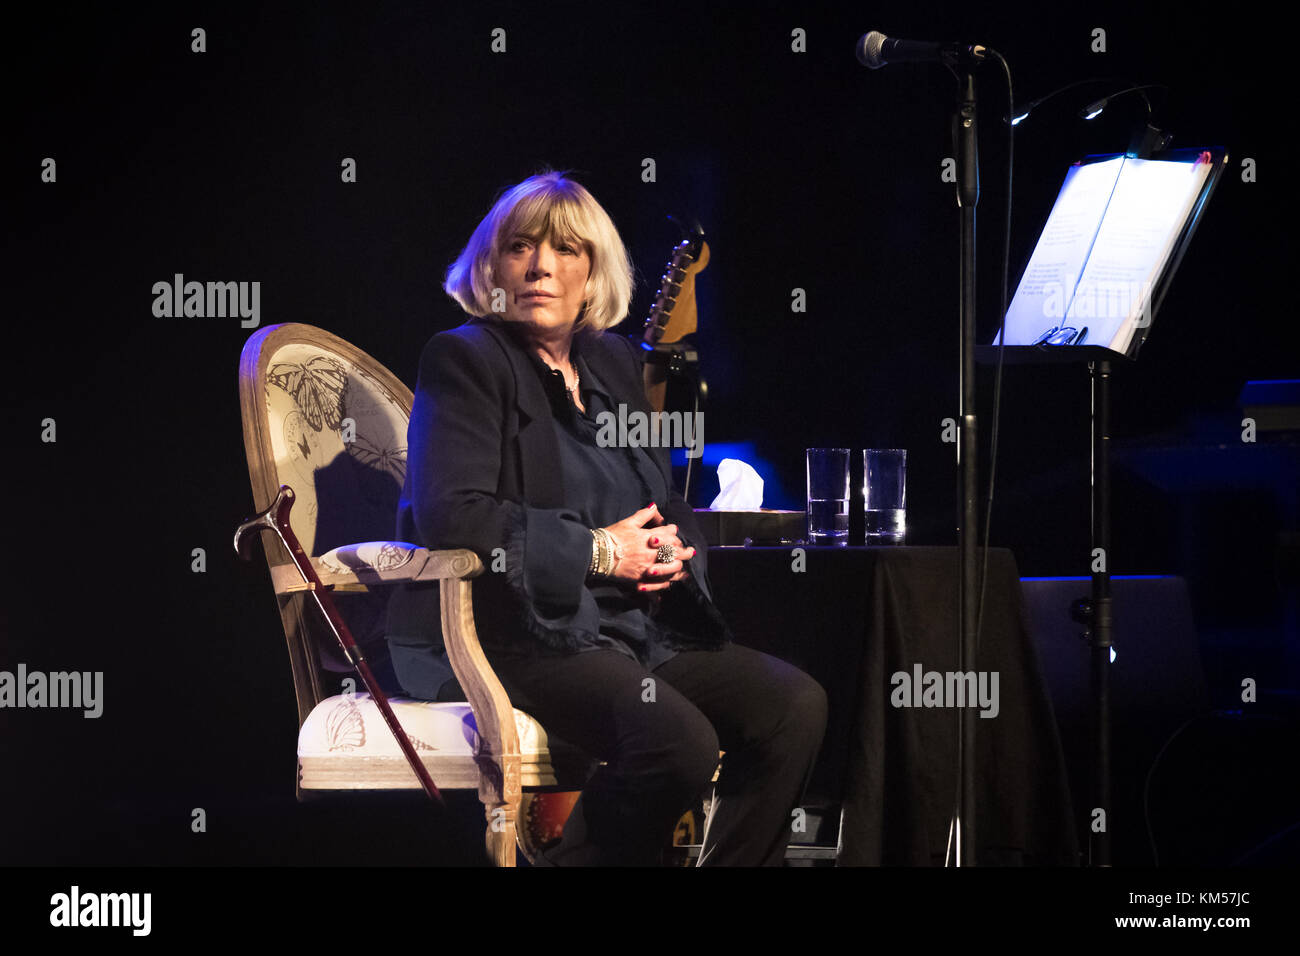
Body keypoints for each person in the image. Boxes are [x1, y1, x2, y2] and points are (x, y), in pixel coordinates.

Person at [385, 169, 828, 866]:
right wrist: (598, 552)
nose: (540, 267)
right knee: (678, 744)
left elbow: (664, 497)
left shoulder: (612, 363)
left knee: (792, 707)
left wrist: (676, 548)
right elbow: (455, 517)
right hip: (512, 631)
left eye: (565, 249)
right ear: (490, 266)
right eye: (520, 248)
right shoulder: (464, 360)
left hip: (626, 632)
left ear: (593, 272)